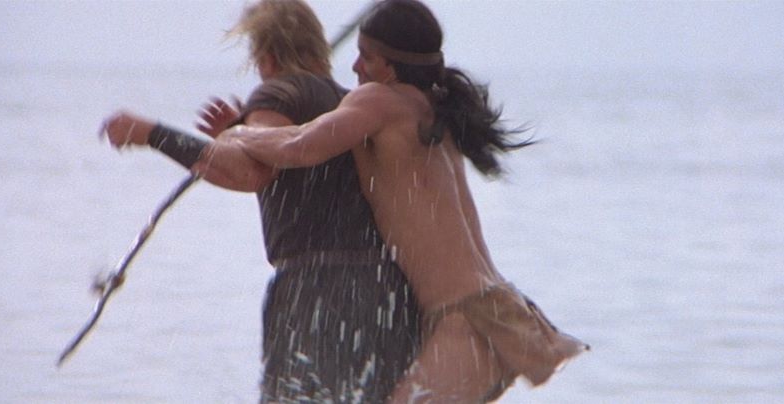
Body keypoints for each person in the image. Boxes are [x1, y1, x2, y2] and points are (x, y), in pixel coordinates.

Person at [210, 0, 589, 402]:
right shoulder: (431, 111)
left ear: (390, 67)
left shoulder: (378, 101)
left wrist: (236, 134)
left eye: (366, 56)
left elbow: (300, 146)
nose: (355, 66)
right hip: (495, 311)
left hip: (465, 321)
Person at [100, 1, 422, 402]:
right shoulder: (352, 104)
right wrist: (239, 130)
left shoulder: (278, 92)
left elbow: (249, 172)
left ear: (266, 57)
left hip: (316, 290)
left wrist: (152, 134)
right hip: (388, 291)